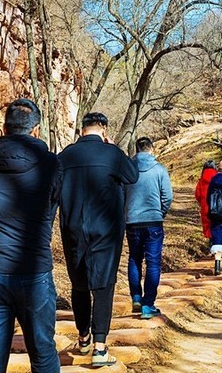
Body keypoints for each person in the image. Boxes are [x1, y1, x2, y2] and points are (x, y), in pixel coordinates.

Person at [0, 98, 63, 373]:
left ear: (3, 128)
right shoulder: (52, 165)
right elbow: (52, 206)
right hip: (34, 271)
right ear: (36, 131)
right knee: (43, 353)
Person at [58, 112, 139, 367]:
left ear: (81, 130)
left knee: (79, 283)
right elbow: (132, 176)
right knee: (104, 285)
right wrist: (113, 147)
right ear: (103, 130)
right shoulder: (112, 154)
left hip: (73, 228)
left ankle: (83, 338)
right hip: (106, 228)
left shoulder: (65, 156)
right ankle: (100, 348)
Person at [124, 137, 173, 319]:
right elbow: (167, 196)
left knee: (134, 258)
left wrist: (126, 213)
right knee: (153, 262)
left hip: (132, 222)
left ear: (136, 150)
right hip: (153, 221)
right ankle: (148, 305)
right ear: (151, 149)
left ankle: (136, 297)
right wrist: (160, 212)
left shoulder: (128, 168)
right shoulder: (159, 169)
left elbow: (121, 194)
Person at [193, 160, 218, 239]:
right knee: (217, 224)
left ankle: (210, 243)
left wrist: (201, 201)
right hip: (217, 205)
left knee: (207, 225)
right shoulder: (218, 177)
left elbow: (197, 194)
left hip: (205, 205)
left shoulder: (201, 180)